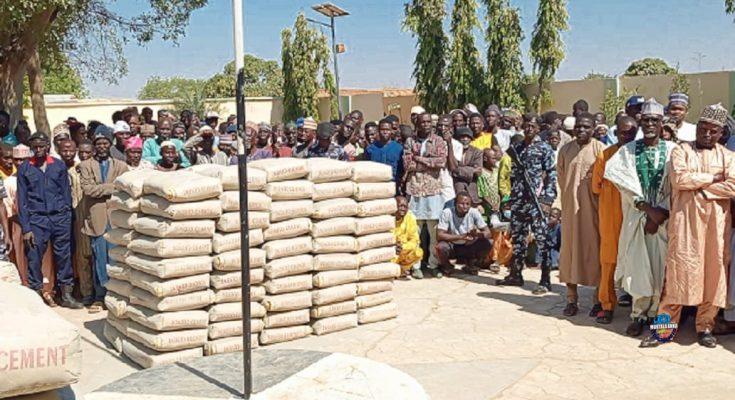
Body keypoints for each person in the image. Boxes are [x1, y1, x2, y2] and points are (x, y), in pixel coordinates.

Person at [639, 104, 735, 348]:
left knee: (714, 277)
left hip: (716, 227)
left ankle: (705, 327)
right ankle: (663, 331)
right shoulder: (681, 151)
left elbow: (733, 186)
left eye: (713, 131)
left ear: (721, 133)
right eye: (703, 129)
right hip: (685, 228)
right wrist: (714, 179)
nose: (706, 134)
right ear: (698, 128)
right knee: (677, 279)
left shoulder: (728, 156)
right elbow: (680, 179)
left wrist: (698, 186)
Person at [603, 98, 677, 337]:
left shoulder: (673, 151)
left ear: (662, 122)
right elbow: (620, 181)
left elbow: (678, 184)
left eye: (655, 120)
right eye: (646, 120)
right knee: (637, 267)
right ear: (640, 121)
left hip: (665, 220)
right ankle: (638, 314)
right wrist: (647, 210)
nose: (650, 124)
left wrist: (659, 215)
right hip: (636, 218)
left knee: (661, 268)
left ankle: (657, 315)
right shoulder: (627, 152)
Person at [17, 132, 82, 309]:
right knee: (34, 257)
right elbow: (21, 200)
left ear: (48, 146)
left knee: (64, 256)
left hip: (60, 217)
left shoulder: (58, 166)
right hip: (36, 219)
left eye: (41, 146)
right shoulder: (25, 168)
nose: (38, 150)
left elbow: (66, 193)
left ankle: (65, 295)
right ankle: (36, 294)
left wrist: (67, 216)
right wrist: (26, 228)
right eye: (35, 147)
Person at [497, 113, 557, 293]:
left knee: (542, 239)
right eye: (527, 126)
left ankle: (545, 279)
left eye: (533, 126)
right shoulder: (517, 148)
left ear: (539, 129)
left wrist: (547, 199)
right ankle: (516, 274)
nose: (529, 129)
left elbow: (551, 175)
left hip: (536, 201)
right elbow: (513, 176)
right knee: (518, 238)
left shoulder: (544, 148)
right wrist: (509, 198)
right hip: (519, 200)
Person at [556, 113, 606, 316]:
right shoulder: (565, 150)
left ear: (594, 129)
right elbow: (560, 180)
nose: (582, 130)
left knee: (595, 252)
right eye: (579, 127)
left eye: (586, 127)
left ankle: (597, 299)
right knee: (569, 252)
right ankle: (571, 298)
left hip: (593, 210)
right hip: (570, 211)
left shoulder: (600, 150)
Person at [591, 115, 638, 324]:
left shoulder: (640, 155)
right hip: (610, 217)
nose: (626, 136)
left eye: (631, 133)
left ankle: (640, 309)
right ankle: (607, 305)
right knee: (608, 261)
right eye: (622, 132)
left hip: (636, 217)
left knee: (639, 261)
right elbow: (596, 187)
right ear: (615, 133)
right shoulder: (605, 156)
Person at [79, 128, 128, 312]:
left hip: (116, 218)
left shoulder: (121, 165)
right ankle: (100, 296)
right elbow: (88, 190)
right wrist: (111, 187)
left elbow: (124, 188)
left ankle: (116, 294)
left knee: (116, 257)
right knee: (99, 258)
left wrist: (102, 188)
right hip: (96, 219)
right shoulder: (86, 166)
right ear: (94, 146)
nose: (102, 147)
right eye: (98, 144)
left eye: (105, 143)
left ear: (110, 144)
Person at [403, 112, 448, 279]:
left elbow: (441, 162)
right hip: (414, 190)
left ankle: (433, 264)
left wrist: (420, 159)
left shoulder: (438, 141)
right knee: (414, 231)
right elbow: (408, 164)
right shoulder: (410, 141)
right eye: (423, 122)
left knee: (434, 231)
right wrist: (429, 162)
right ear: (417, 124)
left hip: (433, 191)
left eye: (429, 122)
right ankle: (415, 265)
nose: (426, 125)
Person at [436, 192, 492, 276]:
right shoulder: (447, 212)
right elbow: (439, 235)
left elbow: (488, 233)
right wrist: (461, 237)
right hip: (453, 246)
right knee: (441, 247)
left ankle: (472, 263)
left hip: (469, 245)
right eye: (462, 204)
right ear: (455, 204)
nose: (465, 206)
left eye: (467, 204)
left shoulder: (474, 212)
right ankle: (447, 266)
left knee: (488, 242)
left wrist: (477, 234)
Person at [448, 127, 483, 205]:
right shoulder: (452, 151)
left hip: (471, 187)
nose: (465, 139)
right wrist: (471, 170)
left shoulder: (477, 152)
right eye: (462, 137)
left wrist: (457, 170)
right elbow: (452, 169)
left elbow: (478, 172)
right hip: (455, 187)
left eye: (467, 137)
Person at [365, 119, 404, 185]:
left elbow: (401, 170)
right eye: (382, 129)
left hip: (393, 185)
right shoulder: (370, 149)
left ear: (391, 131)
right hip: (376, 184)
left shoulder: (399, 148)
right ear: (378, 131)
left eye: (387, 130)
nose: (385, 132)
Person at [392, 195, 423, 277]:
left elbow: (414, 240)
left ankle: (402, 269)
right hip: (390, 252)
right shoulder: (387, 219)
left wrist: (402, 246)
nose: (402, 209)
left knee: (418, 252)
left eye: (405, 207)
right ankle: (394, 271)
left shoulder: (410, 218)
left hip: (402, 250)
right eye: (400, 206)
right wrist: (393, 246)